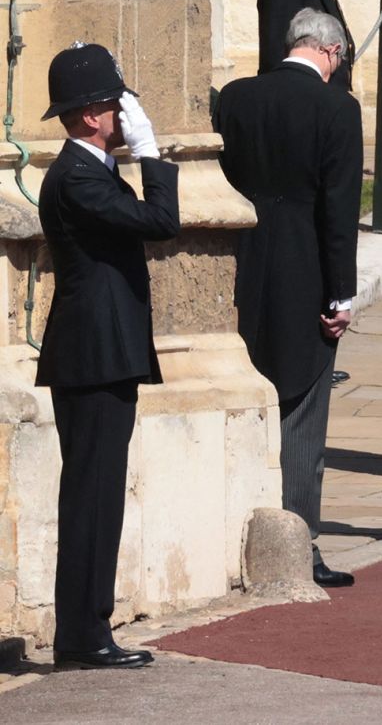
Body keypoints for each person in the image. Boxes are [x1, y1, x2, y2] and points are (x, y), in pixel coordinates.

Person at [35, 44, 178, 669]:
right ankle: (83, 634)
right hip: (93, 357)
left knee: (98, 492)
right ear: (93, 115)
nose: (128, 116)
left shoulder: (90, 171)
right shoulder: (79, 178)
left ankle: (88, 627)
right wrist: (151, 155)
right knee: (92, 494)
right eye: (120, 106)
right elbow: (161, 222)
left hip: (104, 355)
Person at [214, 9, 362, 588]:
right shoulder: (336, 108)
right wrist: (341, 295)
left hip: (244, 262)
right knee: (302, 408)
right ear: (328, 52)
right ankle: (301, 543)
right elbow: (339, 210)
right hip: (304, 266)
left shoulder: (236, 97)